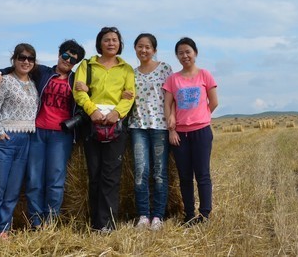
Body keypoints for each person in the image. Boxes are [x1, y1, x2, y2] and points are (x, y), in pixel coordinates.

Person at [0, 39, 86, 228]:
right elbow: (20, 66)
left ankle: (50, 221)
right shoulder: (42, 72)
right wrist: (0, 72)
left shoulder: (76, 80)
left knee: (55, 180)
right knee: (34, 179)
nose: (67, 61)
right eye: (65, 56)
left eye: (72, 60)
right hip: (38, 132)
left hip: (61, 136)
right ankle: (35, 221)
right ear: (59, 54)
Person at [73, 26, 136, 232]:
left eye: (115, 40)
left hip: (115, 125)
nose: (111, 43)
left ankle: (108, 224)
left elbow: (129, 95)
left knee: (111, 175)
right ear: (100, 43)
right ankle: (96, 223)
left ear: (120, 44)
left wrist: (116, 113)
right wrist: (92, 111)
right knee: (95, 174)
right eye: (107, 39)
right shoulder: (87, 65)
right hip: (92, 123)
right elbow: (79, 91)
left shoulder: (126, 69)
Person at [0, 43, 39, 242]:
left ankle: (3, 229)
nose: (26, 61)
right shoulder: (4, 81)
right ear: (14, 59)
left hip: (26, 140)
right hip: (4, 140)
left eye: (30, 59)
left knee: (13, 190)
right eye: (21, 58)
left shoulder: (34, 83)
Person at [163, 37, 218, 226]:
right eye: (180, 53)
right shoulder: (173, 79)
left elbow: (214, 102)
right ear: (177, 56)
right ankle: (188, 214)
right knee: (185, 176)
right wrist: (172, 130)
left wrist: (201, 117)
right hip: (180, 135)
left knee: (202, 174)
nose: (184, 55)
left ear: (195, 53)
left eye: (188, 51)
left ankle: (204, 214)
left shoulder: (205, 75)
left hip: (201, 132)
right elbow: (168, 105)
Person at [126, 33, 173, 230]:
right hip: (138, 127)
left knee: (160, 173)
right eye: (140, 46)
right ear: (135, 49)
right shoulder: (131, 73)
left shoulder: (164, 68)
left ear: (154, 50)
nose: (143, 50)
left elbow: (172, 96)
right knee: (141, 172)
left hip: (160, 126)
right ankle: (143, 215)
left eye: (147, 47)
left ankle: (158, 217)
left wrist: (173, 121)